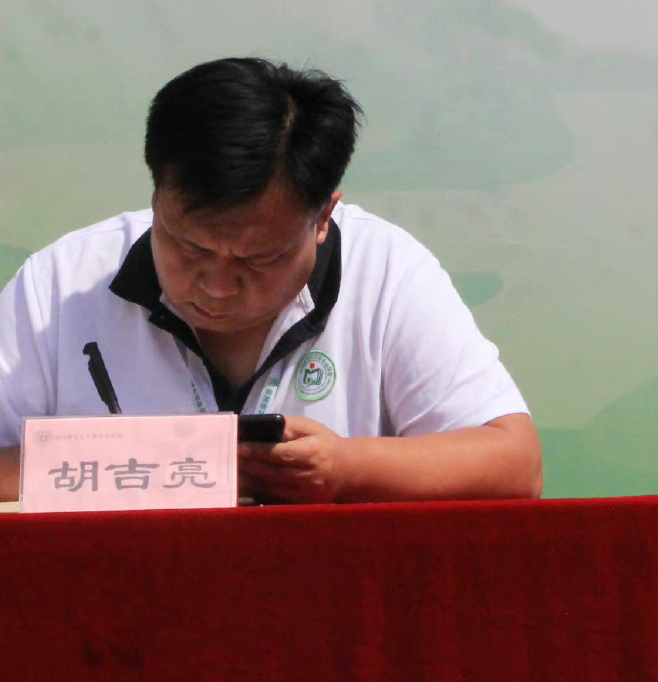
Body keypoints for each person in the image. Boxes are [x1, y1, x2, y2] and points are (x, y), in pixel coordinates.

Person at [0, 58, 540, 504]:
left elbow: (515, 464)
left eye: (257, 260)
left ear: (323, 217)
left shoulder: (387, 270)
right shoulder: (59, 283)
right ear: (156, 196)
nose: (216, 286)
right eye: (190, 248)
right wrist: (153, 464)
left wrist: (350, 468)